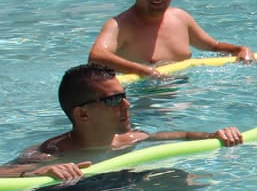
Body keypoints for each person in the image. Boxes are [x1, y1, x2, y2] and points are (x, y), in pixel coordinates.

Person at [1, 63, 243, 184]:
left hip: (114, 184)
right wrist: (34, 172)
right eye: (114, 100)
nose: (127, 105)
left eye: (124, 96)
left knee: (184, 181)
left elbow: (185, 136)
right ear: (82, 114)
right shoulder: (51, 153)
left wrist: (216, 134)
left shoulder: (130, 139)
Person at [88, 0, 255, 79]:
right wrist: (141, 70)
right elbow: (96, 57)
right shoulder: (119, 26)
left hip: (186, 99)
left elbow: (214, 46)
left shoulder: (181, 18)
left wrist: (241, 49)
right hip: (147, 107)